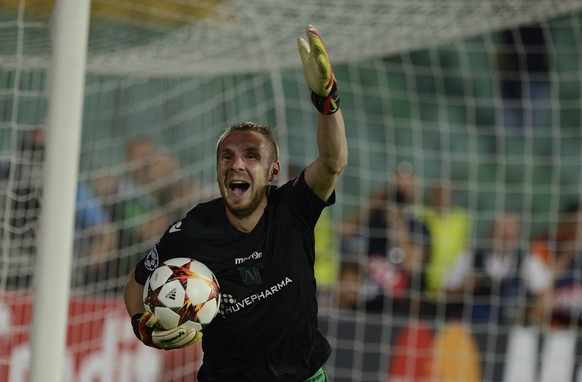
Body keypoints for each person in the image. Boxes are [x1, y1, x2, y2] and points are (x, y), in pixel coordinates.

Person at [124, 25, 347, 381]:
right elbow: (136, 283)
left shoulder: (292, 208)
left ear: (273, 171)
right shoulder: (193, 230)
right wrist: (142, 327)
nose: (236, 164)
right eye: (226, 157)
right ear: (217, 170)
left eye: (250, 156)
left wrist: (327, 102)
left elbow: (332, 162)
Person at [444, 212, 551, 324]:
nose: (503, 241)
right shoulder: (470, 257)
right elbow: (443, 296)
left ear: (517, 237)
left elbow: (545, 297)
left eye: (508, 236)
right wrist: (466, 288)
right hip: (470, 329)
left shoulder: (528, 261)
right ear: (490, 233)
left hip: (510, 330)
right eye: (500, 234)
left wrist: (527, 318)